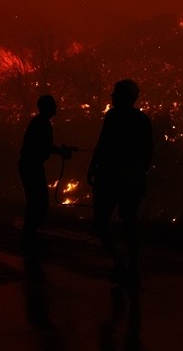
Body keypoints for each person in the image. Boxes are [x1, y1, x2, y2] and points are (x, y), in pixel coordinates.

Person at [87, 79, 153, 286]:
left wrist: (93, 167)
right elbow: (147, 152)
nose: (112, 97)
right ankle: (129, 263)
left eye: (116, 94)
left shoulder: (114, 117)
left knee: (103, 221)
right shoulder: (140, 119)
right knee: (129, 222)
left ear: (124, 97)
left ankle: (121, 261)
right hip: (129, 178)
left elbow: (103, 143)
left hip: (112, 177)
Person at [17, 94, 74, 258]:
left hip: (31, 166)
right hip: (31, 167)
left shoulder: (41, 123)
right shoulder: (41, 124)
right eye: (53, 105)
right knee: (38, 201)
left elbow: (46, 146)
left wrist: (60, 151)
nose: (56, 108)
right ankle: (29, 237)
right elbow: (45, 146)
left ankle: (30, 234)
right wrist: (61, 151)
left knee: (36, 201)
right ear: (47, 108)